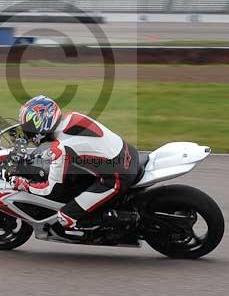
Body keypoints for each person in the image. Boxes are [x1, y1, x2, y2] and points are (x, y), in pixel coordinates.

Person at [8, 95, 140, 230]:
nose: (27, 132)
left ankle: (124, 219)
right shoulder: (72, 117)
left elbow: (51, 190)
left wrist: (25, 185)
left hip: (118, 177)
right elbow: (78, 149)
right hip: (129, 152)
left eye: (29, 127)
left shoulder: (61, 148)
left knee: (66, 218)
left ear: (41, 124)